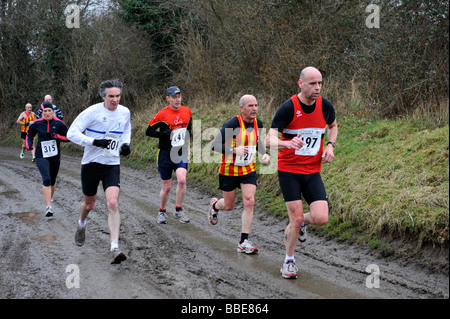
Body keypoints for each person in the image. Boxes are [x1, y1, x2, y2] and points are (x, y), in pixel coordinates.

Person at [265, 66, 338, 279]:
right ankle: (288, 261)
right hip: (289, 171)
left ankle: (299, 223)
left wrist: (330, 145)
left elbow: (333, 126)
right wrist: (287, 144)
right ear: (301, 84)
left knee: (321, 218)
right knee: (295, 219)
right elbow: (267, 140)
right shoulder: (288, 108)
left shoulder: (325, 105)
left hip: (312, 171)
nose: (317, 88)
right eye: (312, 83)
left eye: (320, 83)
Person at [67, 79, 131, 265]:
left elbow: (126, 129)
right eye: (111, 96)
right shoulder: (92, 112)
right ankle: (81, 224)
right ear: (103, 96)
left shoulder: (124, 112)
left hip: (112, 163)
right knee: (89, 205)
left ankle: (114, 247)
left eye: (118, 96)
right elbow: (72, 133)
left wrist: (126, 144)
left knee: (112, 202)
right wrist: (93, 141)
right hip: (91, 163)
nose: (115, 100)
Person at [209, 95, 270, 254]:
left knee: (249, 201)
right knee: (229, 206)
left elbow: (257, 141)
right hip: (229, 169)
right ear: (242, 108)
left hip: (248, 169)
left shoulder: (258, 123)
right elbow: (215, 145)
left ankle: (243, 241)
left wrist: (264, 153)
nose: (254, 109)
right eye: (250, 106)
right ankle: (215, 205)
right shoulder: (232, 124)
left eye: (256, 105)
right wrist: (234, 150)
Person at [146, 86, 192, 224]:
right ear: (168, 98)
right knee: (167, 187)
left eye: (179, 96)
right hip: (166, 153)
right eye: (174, 97)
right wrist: (164, 134)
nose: (177, 99)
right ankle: (162, 211)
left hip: (181, 152)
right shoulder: (161, 114)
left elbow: (190, 128)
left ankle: (179, 210)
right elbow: (149, 131)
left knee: (182, 180)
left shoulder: (187, 111)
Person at [26, 102, 69, 217]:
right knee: (46, 179)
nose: (47, 113)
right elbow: (29, 134)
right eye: (45, 111)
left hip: (55, 156)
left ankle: (50, 198)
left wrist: (58, 136)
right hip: (41, 155)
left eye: (49, 111)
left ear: (52, 111)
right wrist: (29, 144)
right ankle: (48, 207)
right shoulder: (37, 124)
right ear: (42, 112)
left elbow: (68, 137)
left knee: (53, 180)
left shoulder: (59, 123)